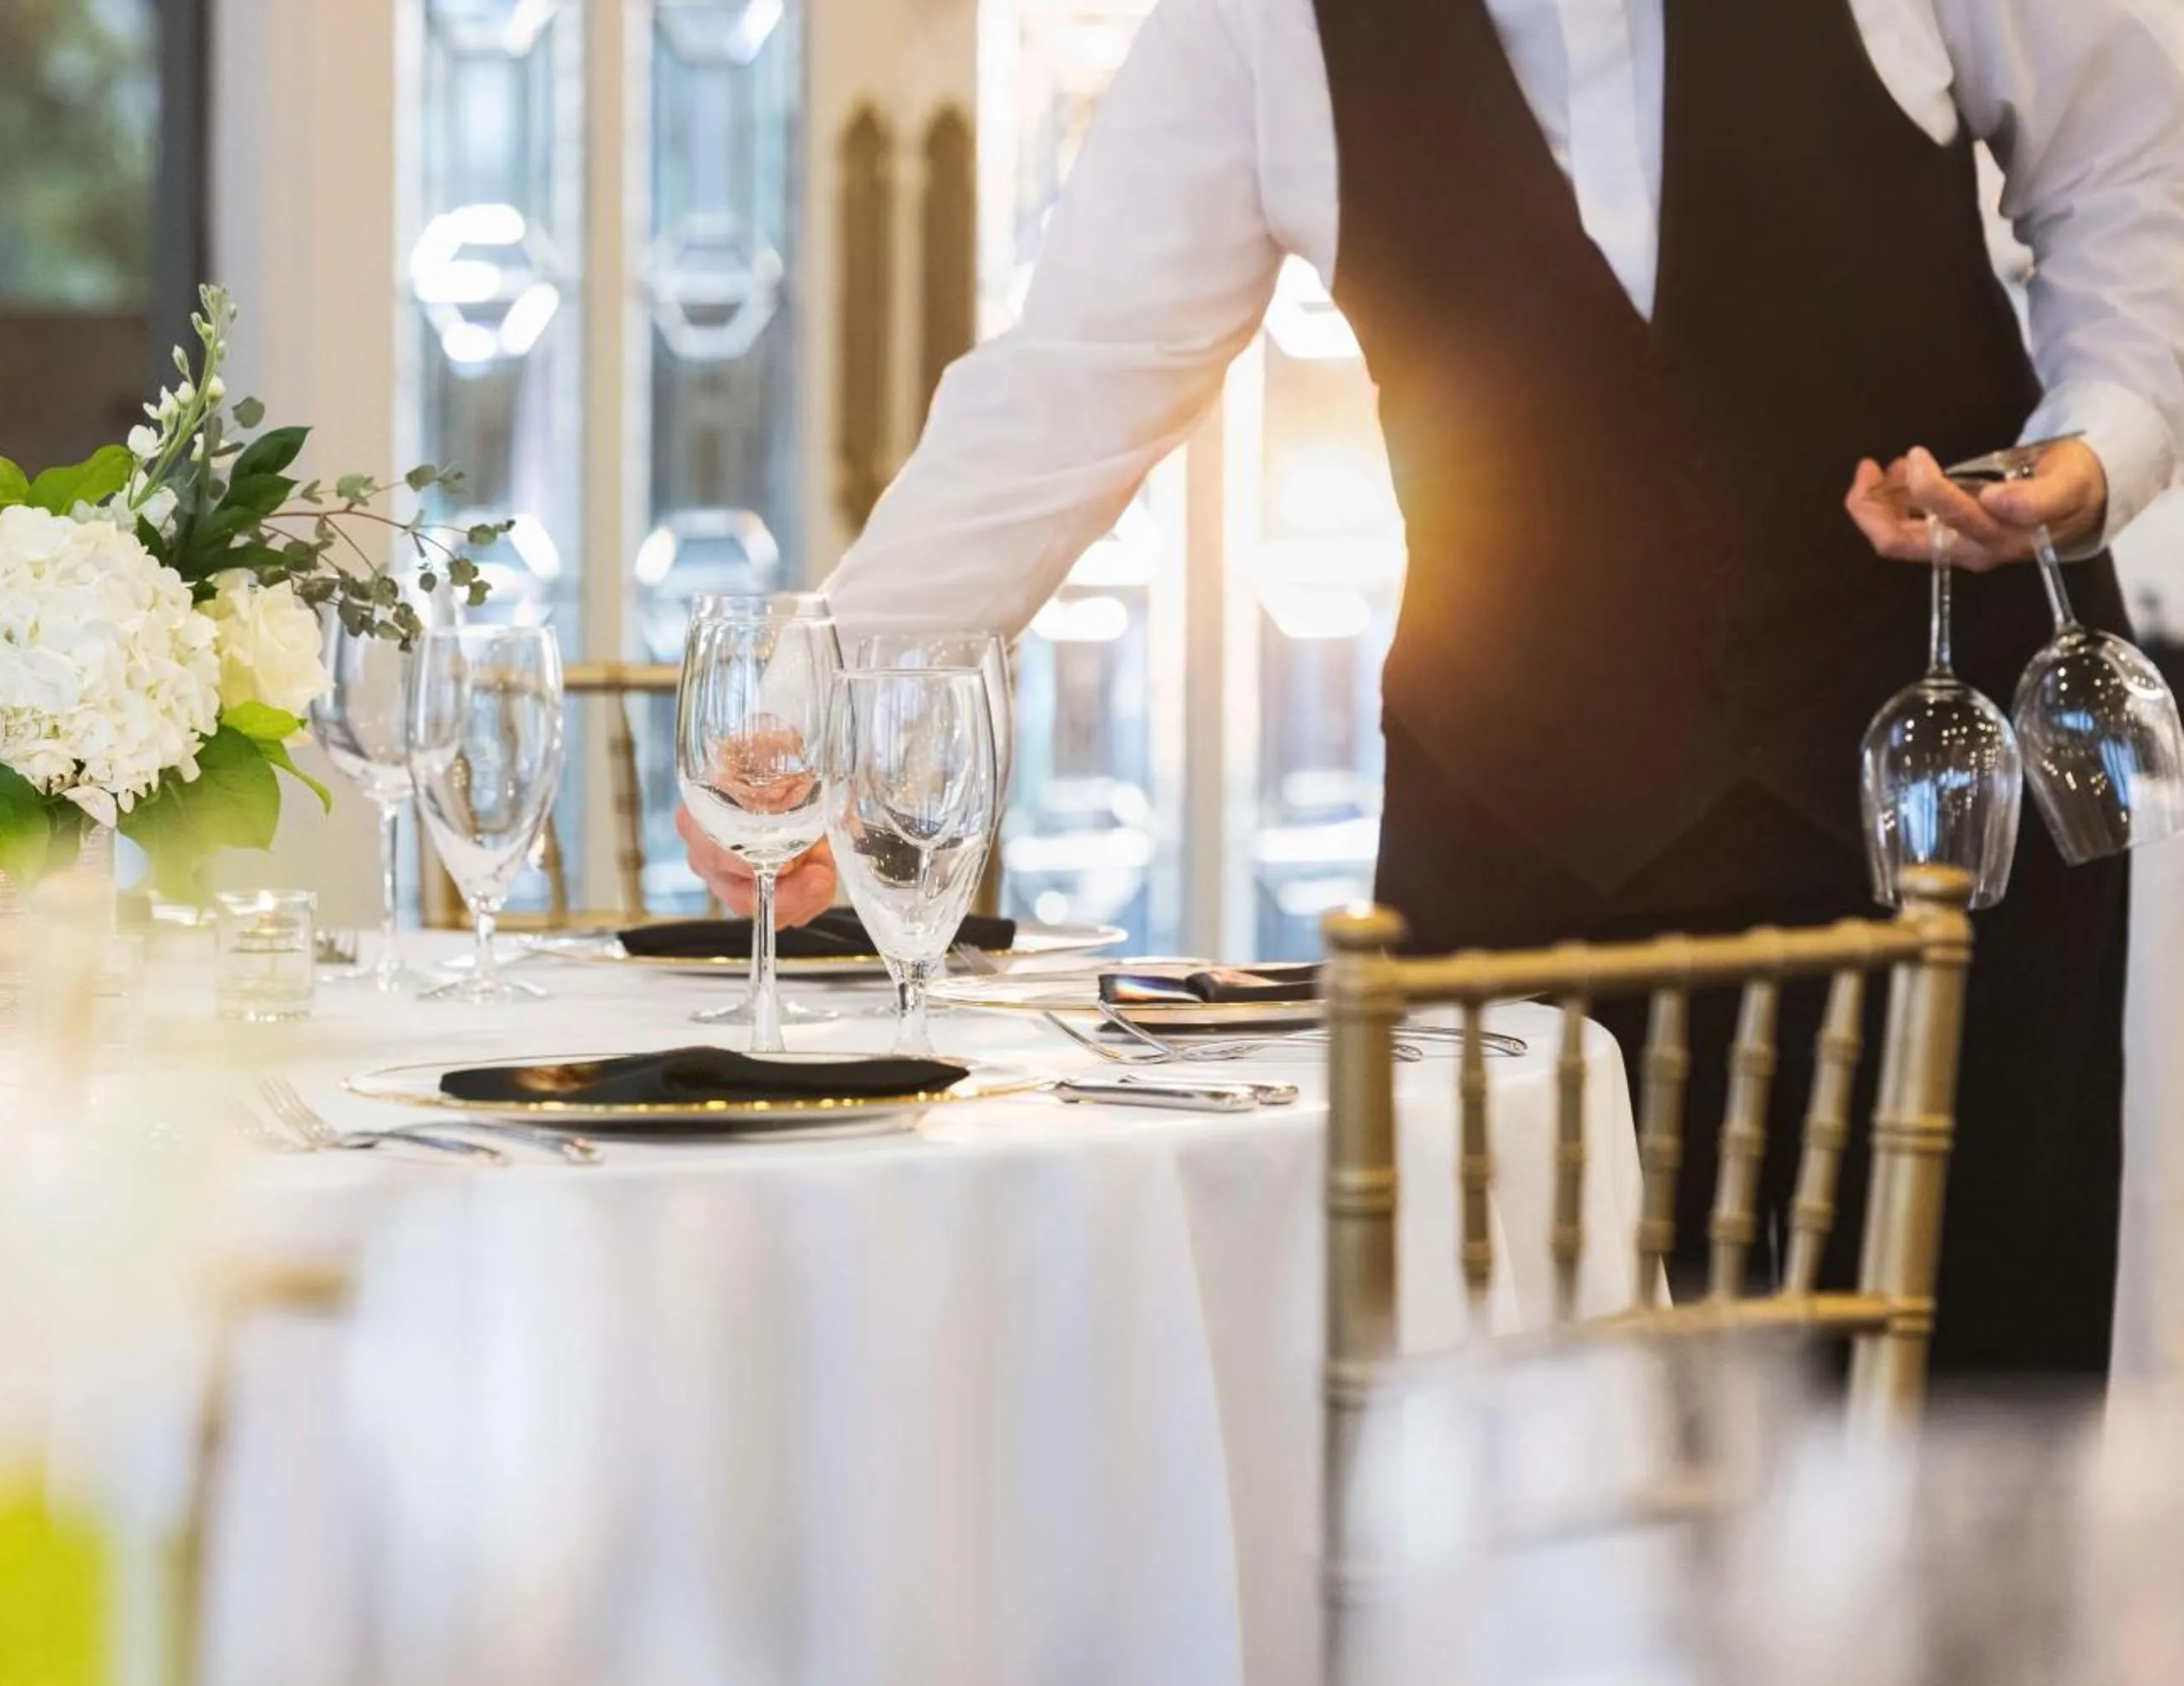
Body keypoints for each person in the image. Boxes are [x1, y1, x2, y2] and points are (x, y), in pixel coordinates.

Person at [677, 0, 2184, 1379]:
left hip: (1950, 784)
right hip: (1525, 816)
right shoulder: (1259, 23)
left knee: (1962, 1443)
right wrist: (825, 705)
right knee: (1495, 1445)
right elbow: (1072, 374)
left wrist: (2102, 435)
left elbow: (2126, 151)